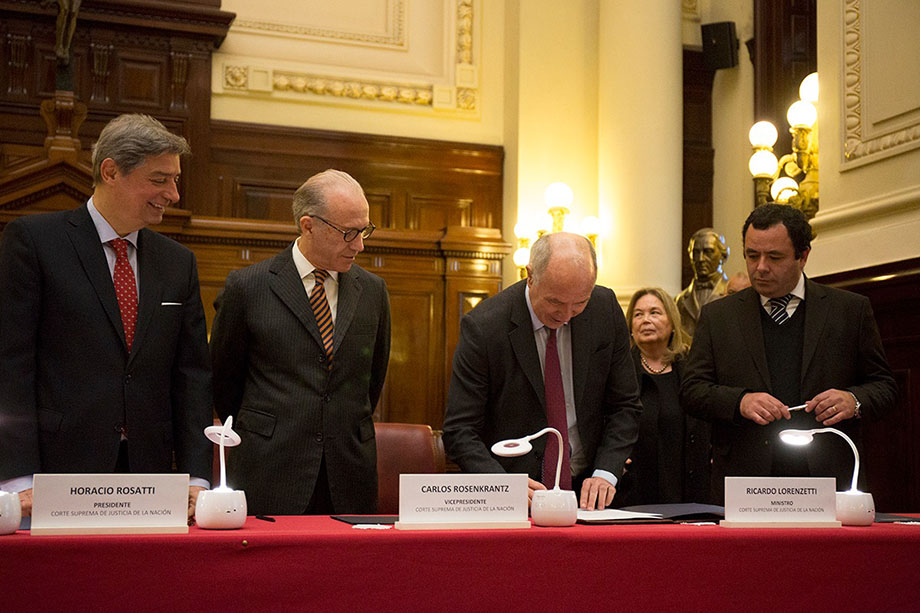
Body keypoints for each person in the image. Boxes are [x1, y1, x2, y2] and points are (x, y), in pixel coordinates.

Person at [0, 113, 213, 519]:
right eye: (159, 179)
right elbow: (11, 367)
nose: (173, 194)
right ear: (110, 171)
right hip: (55, 473)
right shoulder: (34, 242)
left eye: (175, 180)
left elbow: (192, 378)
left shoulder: (177, 263)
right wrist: (18, 479)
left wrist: (196, 478)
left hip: (150, 473)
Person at [681, 204, 897, 503]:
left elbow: (885, 387)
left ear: (803, 256)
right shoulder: (719, 317)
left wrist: (853, 400)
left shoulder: (848, 311)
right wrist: (739, 401)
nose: (760, 267)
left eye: (775, 257)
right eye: (752, 255)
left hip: (827, 478)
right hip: (746, 481)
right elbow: (692, 390)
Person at [210, 169, 390, 515]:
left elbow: (372, 380)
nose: (360, 245)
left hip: (349, 475)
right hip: (270, 471)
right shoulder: (249, 288)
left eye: (364, 230)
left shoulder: (372, 291)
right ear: (308, 225)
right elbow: (224, 381)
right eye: (349, 232)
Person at [443, 232, 642, 511]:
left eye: (579, 302)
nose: (567, 315)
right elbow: (459, 431)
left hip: (592, 490)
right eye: (555, 303)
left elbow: (625, 405)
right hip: (516, 492)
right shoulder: (485, 327)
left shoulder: (604, 309)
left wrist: (606, 471)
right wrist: (501, 485)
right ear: (530, 276)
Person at [613, 288, 711, 507]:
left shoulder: (692, 368)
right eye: (638, 315)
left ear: (672, 322)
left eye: (655, 312)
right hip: (633, 490)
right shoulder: (619, 370)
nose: (645, 320)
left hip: (686, 487)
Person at [675, 228, 730, 339]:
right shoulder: (680, 300)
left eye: (708, 252)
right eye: (695, 252)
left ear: (723, 256)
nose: (700, 259)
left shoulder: (732, 294)